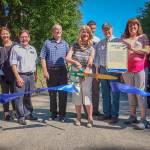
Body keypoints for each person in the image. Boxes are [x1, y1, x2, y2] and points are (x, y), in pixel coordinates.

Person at [122, 18, 150, 129]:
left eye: (134, 25)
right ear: (127, 28)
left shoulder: (143, 37)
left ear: (138, 27)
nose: (132, 27)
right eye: (130, 25)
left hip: (140, 69)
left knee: (140, 94)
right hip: (126, 70)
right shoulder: (124, 38)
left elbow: (147, 51)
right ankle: (133, 116)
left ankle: (144, 120)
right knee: (130, 94)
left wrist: (133, 48)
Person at [66, 25, 95, 128]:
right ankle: (78, 117)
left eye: (87, 32)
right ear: (80, 34)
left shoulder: (91, 48)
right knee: (77, 95)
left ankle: (90, 118)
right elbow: (67, 58)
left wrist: (86, 71)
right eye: (83, 32)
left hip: (87, 72)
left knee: (87, 94)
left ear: (89, 34)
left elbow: (90, 62)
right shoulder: (74, 45)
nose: (85, 34)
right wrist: (75, 62)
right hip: (75, 72)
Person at [40, 24, 68, 122]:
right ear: (52, 32)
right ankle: (53, 113)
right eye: (56, 29)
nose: (58, 31)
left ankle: (62, 114)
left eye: (59, 29)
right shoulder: (47, 43)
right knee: (52, 93)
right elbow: (42, 57)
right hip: (51, 71)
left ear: (61, 31)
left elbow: (68, 59)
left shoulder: (65, 44)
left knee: (63, 94)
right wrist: (44, 71)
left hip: (63, 71)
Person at [10, 30, 37, 125]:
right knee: (19, 97)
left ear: (29, 38)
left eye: (26, 37)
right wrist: (17, 77)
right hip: (21, 75)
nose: (24, 38)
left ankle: (28, 113)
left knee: (28, 96)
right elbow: (13, 64)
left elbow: (35, 64)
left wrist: (35, 77)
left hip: (31, 76)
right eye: (22, 37)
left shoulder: (33, 49)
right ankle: (21, 116)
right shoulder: (15, 48)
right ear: (19, 38)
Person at [95, 22, 121, 124]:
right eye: (105, 29)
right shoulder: (100, 43)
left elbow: (122, 58)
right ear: (102, 31)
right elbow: (97, 58)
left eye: (108, 29)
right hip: (102, 69)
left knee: (115, 94)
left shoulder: (118, 41)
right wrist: (97, 72)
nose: (107, 31)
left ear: (112, 29)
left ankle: (114, 116)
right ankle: (107, 114)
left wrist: (122, 73)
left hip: (114, 71)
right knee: (105, 94)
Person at [0, 27, 16, 121]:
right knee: (5, 94)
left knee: (14, 94)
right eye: (3, 34)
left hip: (14, 74)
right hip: (2, 75)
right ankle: (6, 113)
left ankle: (14, 111)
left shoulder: (15, 45)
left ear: (9, 34)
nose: (5, 35)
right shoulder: (0, 46)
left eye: (6, 33)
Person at [86, 20, 101, 117]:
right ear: (87, 28)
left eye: (94, 29)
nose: (93, 30)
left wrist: (98, 68)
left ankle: (95, 110)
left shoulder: (97, 40)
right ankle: (87, 111)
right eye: (91, 28)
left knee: (96, 90)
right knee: (86, 90)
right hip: (85, 67)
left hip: (95, 67)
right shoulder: (82, 38)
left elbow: (100, 55)